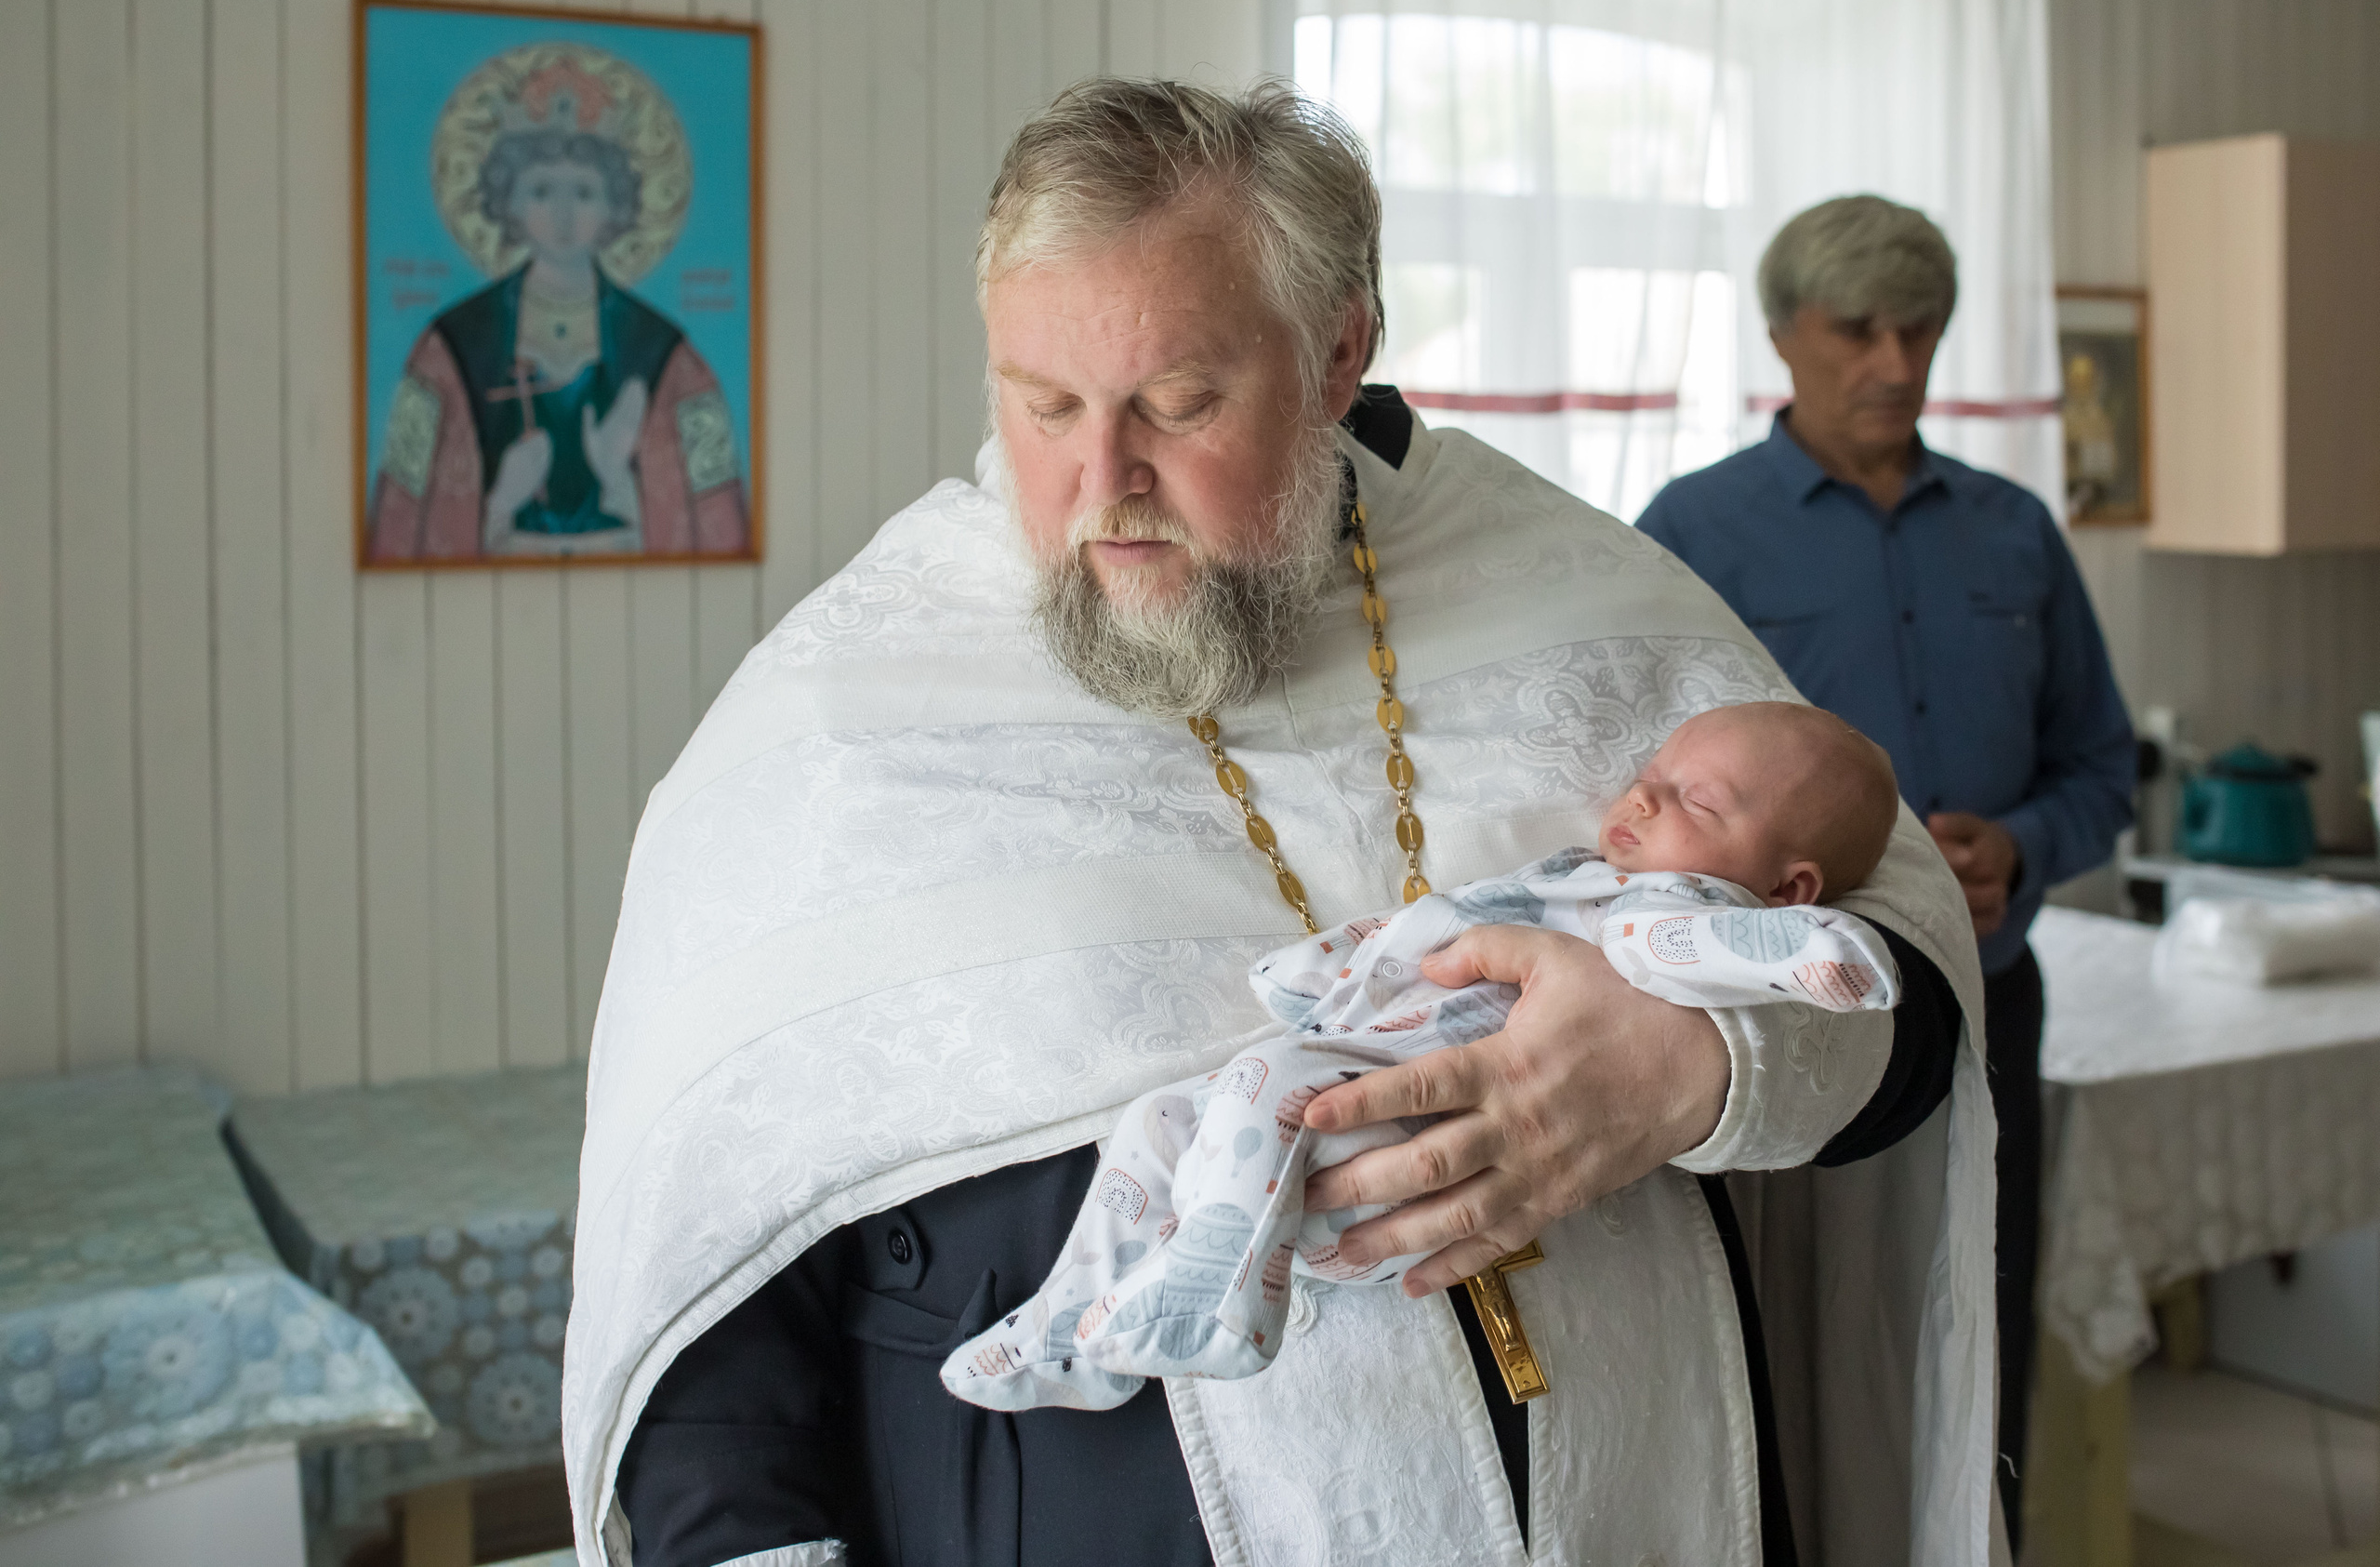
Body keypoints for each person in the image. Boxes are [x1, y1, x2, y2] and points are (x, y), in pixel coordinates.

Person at [564, 85, 1995, 1567]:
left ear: (1336, 354)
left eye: (1178, 404)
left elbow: (1906, 988)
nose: (1099, 483)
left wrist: (1699, 1062)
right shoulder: (836, 720)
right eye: (1044, 403)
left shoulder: (1581, 600)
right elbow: (704, 1271)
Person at [944, 702, 1906, 1411]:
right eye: (1651, 773)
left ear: (1786, 886)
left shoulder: (1676, 908)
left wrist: (1805, 951)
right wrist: (1329, 968)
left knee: (1260, 1084)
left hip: (1398, 1138)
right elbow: (1442, 922)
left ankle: (1219, 1291)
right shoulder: (1584, 879)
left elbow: (1682, 952)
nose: (1643, 795)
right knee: (1155, 1123)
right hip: (1355, 1103)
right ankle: (1076, 1329)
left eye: (1693, 797)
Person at [1636, 193, 2136, 1545]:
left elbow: (2104, 763)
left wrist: (2024, 844)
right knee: (1781, 1342)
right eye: (1858, 329)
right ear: (1785, 337)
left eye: (1920, 329)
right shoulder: (1693, 531)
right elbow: (1637, 797)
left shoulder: (2018, 531)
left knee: (1971, 1302)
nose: (1896, 363)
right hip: (1768, 1027)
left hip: (1983, 1002)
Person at [365, 57, 750, 562]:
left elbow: (715, 502)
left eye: (585, 192)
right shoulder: (450, 346)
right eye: (542, 190)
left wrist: (618, 480)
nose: (564, 216)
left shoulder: (667, 354)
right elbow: (403, 502)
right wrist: (502, 498)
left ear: (618, 206)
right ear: (508, 203)